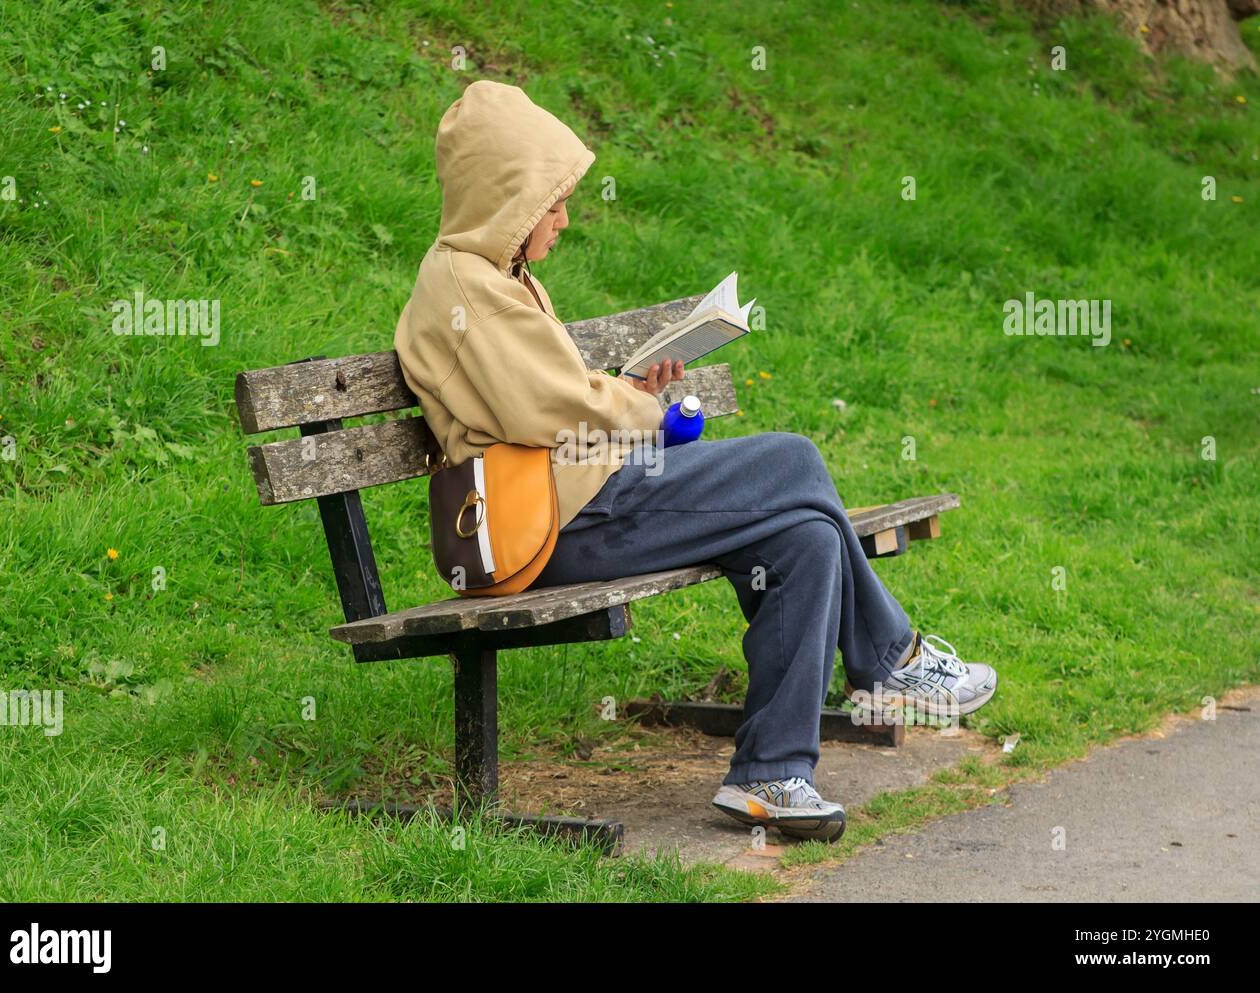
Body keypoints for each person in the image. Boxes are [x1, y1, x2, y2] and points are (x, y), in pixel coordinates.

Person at [394, 80, 997, 844]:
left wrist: (633, 396)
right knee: (795, 460)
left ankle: (771, 777)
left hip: (582, 499)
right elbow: (552, 409)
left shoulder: (495, 277)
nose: (564, 218)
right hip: (554, 525)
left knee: (805, 539)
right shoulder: (461, 288)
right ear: (504, 194)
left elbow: (551, 403)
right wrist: (640, 409)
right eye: (552, 201)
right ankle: (889, 661)